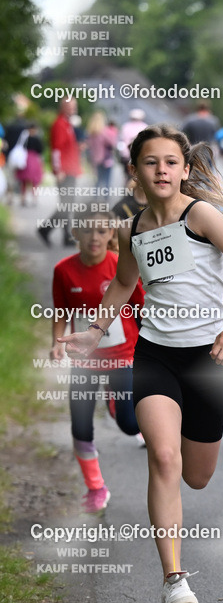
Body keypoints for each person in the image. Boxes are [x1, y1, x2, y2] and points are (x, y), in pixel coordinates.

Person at [58, 124, 223, 603]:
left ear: (184, 170)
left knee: (197, 475)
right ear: (134, 171)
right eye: (150, 162)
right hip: (155, 355)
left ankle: (176, 562)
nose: (161, 170)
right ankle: (174, 580)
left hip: (209, 359)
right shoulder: (131, 230)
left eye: (170, 162)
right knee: (164, 455)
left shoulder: (204, 217)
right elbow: (123, 282)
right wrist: (96, 329)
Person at [50, 203, 144, 513]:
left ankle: (152, 418)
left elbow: (143, 308)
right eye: (87, 230)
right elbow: (61, 311)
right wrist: (56, 343)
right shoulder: (63, 270)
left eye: (102, 231)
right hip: (85, 360)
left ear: (111, 235)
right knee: (80, 427)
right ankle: (95, 488)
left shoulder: (123, 266)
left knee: (130, 424)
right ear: (74, 232)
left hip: (122, 357)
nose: (94, 237)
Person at [39, 99, 82, 247]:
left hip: (70, 169)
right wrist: (58, 170)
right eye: (70, 106)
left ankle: (66, 237)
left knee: (67, 205)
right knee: (66, 205)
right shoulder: (59, 124)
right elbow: (56, 149)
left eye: (74, 106)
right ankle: (45, 229)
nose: (73, 109)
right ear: (63, 107)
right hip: (65, 172)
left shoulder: (67, 124)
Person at [86, 111, 118, 191]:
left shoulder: (90, 133)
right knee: (106, 182)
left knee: (97, 181)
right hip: (106, 160)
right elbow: (112, 143)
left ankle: (95, 199)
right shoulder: (105, 132)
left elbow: (89, 147)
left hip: (95, 160)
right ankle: (105, 200)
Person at [15, 122, 44, 205]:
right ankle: (34, 198)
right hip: (33, 159)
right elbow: (40, 150)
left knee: (24, 180)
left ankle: (23, 198)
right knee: (34, 180)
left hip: (25, 159)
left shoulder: (24, 138)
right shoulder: (36, 139)